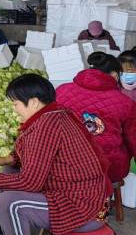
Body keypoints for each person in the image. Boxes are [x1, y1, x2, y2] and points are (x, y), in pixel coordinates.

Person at [0, 74, 110, 235]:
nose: (14, 109)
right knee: (9, 170)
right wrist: (4, 160)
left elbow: (31, 183)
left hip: (85, 210)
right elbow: (34, 156)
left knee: (8, 202)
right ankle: (10, 229)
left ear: (33, 102)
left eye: (15, 104)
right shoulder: (54, 115)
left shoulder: (46, 127)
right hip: (78, 195)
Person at [55, 52, 136, 183]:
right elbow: (134, 139)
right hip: (107, 168)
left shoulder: (61, 90)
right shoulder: (125, 102)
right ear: (115, 75)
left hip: (63, 163)